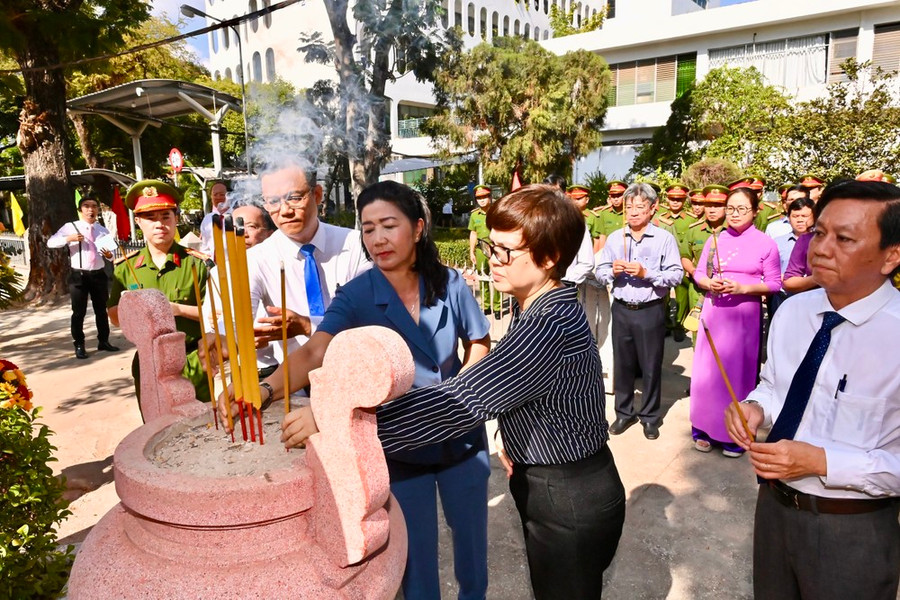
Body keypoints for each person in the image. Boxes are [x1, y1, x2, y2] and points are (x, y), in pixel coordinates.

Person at [283, 184, 625, 600]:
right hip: (549, 476)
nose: (492, 261)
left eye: (505, 252)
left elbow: (461, 400)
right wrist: (519, 440)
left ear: (550, 257)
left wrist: (338, 419)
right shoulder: (535, 302)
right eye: (489, 246)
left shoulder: (546, 323)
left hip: (569, 494)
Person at [247, 181, 492, 600]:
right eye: (368, 228)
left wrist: (460, 392)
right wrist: (265, 390)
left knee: (471, 546)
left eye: (388, 226)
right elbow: (315, 351)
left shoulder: (449, 283)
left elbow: (479, 342)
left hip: (460, 440)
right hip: (399, 445)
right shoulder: (359, 294)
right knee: (413, 558)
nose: (377, 238)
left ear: (417, 229)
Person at [725, 179, 900, 600]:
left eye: (844, 238)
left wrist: (822, 461)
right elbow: (775, 386)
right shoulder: (794, 312)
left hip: (851, 527)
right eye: (819, 232)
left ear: (891, 256)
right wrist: (754, 408)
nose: (820, 248)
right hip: (774, 508)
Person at [690, 186, 781, 457]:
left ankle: (735, 434)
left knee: (737, 372)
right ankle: (703, 428)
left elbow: (775, 284)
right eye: (730, 208)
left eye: (742, 209)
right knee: (708, 373)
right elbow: (698, 273)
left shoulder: (766, 243)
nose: (734, 214)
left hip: (744, 315)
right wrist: (708, 282)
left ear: (755, 211)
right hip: (714, 310)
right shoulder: (715, 238)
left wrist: (742, 288)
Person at [107, 180, 210, 411]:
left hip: (193, 362)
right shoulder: (126, 268)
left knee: (201, 428)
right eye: (151, 218)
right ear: (138, 222)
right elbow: (113, 315)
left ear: (176, 219)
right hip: (147, 365)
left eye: (166, 216)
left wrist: (178, 309)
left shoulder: (197, 264)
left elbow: (217, 315)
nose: (159, 224)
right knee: (156, 430)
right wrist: (131, 307)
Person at [596, 183, 683, 440]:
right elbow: (599, 271)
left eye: (640, 207)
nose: (633, 212)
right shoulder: (615, 238)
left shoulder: (664, 239)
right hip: (622, 308)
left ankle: (650, 417)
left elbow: (676, 274)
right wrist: (613, 270)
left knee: (650, 365)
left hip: (650, 309)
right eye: (629, 207)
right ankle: (623, 412)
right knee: (622, 365)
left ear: (652, 209)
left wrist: (648, 274)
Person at [203, 197, 280, 379]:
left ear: (269, 233)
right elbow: (210, 325)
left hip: (279, 371)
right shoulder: (219, 273)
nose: (241, 233)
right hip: (237, 373)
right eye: (233, 226)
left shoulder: (280, 270)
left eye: (251, 226)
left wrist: (268, 338)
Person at [48, 194, 119, 359]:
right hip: (78, 275)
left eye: (94, 206)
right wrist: (68, 238)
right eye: (87, 206)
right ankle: (79, 344)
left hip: (99, 274)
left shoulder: (102, 230)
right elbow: (51, 242)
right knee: (78, 312)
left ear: (97, 210)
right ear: (81, 210)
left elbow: (112, 255)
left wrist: (109, 254)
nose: (91, 209)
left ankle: (104, 341)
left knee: (101, 310)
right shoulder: (71, 226)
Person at [656, 182, 696, 342]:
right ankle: (666, 324)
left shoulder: (691, 220)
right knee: (663, 295)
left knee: (682, 296)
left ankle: (679, 324)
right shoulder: (659, 218)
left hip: (682, 262)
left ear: (684, 200)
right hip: (664, 264)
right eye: (672, 199)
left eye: (679, 199)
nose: (675, 202)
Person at [769, 196, 815, 317]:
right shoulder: (776, 243)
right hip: (782, 297)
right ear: (788, 218)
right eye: (795, 216)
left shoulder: (821, 241)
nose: (800, 220)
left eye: (804, 216)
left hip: (813, 296)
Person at [468, 184, 502, 318]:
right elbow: (473, 234)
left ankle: (498, 307)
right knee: (483, 277)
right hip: (480, 250)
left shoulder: (496, 213)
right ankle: (486, 306)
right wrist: (471, 251)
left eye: (484, 197)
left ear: (490, 197)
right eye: (479, 198)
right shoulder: (474, 215)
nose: (481, 200)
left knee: (497, 277)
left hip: (495, 249)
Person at [199, 181, 230, 257]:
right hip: (214, 265)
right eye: (215, 195)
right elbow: (204, 247)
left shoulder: (237, 216)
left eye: (222, 194)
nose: (218, 197)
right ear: (211, 197)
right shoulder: (207, 219)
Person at [593, 179, 627, 250]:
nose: (616, 199)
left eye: (619, 195)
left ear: (624, 196)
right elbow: (602, 237)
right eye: (613, 196)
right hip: (609, 251)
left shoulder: (630, 213)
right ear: (610, 197)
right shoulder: (604, 213)